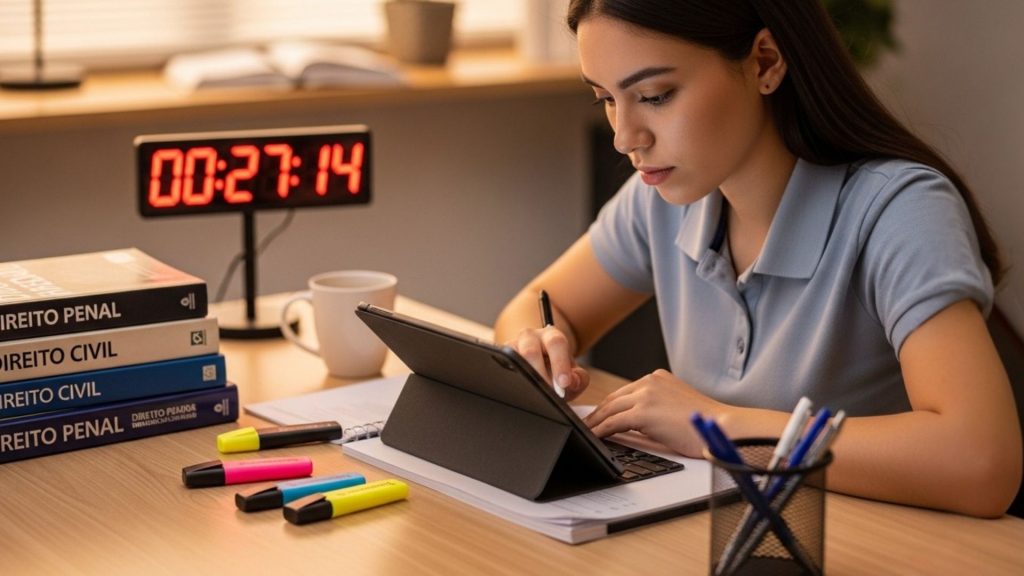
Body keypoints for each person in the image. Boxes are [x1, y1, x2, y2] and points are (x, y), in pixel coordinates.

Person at [494, 0, 1021, 517]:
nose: (625, 137)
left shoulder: (899, 211)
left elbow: (980, 461)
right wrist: (538, 354)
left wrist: (718, 429)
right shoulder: (661, 199)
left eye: (654, 96)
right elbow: (534, 308)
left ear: (765, 61)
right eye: (605, 99)